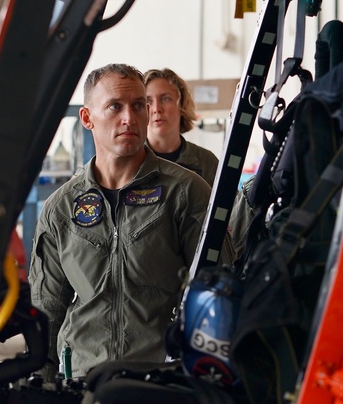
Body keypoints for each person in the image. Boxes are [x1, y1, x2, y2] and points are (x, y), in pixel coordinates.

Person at [29, 63, 211, 378]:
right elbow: (47, 309)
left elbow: (214, 291)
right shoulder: (61, 207)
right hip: (84, 378)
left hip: (163, 380)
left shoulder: (186, 192)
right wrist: (41, 381)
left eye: (138, 105)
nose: (129, 118)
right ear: (87, 118)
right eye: (115, 106)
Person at [143, 68, 220, 184]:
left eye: (165, 99)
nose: (156, 109)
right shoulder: (129, 162)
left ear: (182, 105)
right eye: (148, 101)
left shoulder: (207, 162)